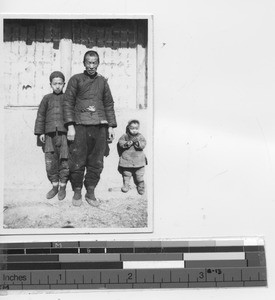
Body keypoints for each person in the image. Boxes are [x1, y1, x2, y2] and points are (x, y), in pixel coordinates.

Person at [64, 50, 117, 207]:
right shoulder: (76, 80)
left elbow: (108, 104)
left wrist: (111, 126)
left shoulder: (102, 82)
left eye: (94, 63)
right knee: (77, 159)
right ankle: (77, 190)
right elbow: (67, 103)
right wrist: (70, 126)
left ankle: (91, 191)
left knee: (96, 161)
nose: (91, 66)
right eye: (89, 62)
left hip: (99, 126)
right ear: (84, 63)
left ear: (98, 64)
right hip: (80, 126)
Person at [34, 71, 69, 200]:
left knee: (64, 161)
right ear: (51, 84)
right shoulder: (46, 98)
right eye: (55, 84)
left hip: (64, 135)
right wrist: (41, 132)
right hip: (49, 136)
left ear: (64, 84)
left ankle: (63, 187)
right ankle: (54, 186)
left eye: (60, 83)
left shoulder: (68, 98)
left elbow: (72, 115)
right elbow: (41, 116)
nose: (58, 86)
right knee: (50, 161)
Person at [117, 119, 147, 195]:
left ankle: (141, 187)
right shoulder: (125, 136)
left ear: (138, 128)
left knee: (139, 175)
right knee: (126, 174)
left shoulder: (140, 136)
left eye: (136, 129)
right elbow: (120, 142)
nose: (134, 130)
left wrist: (138, 143)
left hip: (138, 160)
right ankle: (126, 185)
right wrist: (127, 143)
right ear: (128, 128)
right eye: (132, 128)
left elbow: (144, 143)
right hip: (127, 159)